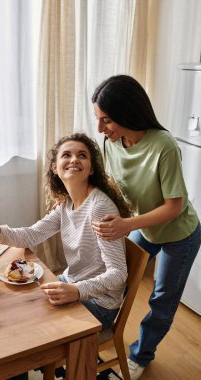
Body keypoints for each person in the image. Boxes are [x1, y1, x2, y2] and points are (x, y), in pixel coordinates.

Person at [91, 75, 201, 380]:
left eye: (107, 120)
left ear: (127, 113)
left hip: (180, 234)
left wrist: (127, 225)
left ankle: (141, 356)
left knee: (162, 300)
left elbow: (174, 206)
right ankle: (100, 333)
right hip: (144, 225)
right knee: (116, 279)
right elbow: (114, 187)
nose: (100, 129)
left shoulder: (163, 146)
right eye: (98, 119)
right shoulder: (111, 143)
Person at [0, 132, 132, 332]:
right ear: (54, 168)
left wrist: (76, 291)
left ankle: (63, 361)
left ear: (91, 169)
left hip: (99, 303)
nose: (74, 159)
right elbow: (31, 235)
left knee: (29, 326)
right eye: (66, 155)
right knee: (16, 308)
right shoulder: (66, 203)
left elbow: (119, 274)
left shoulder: (99, 207)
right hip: (72, 282)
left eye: (82, 155)